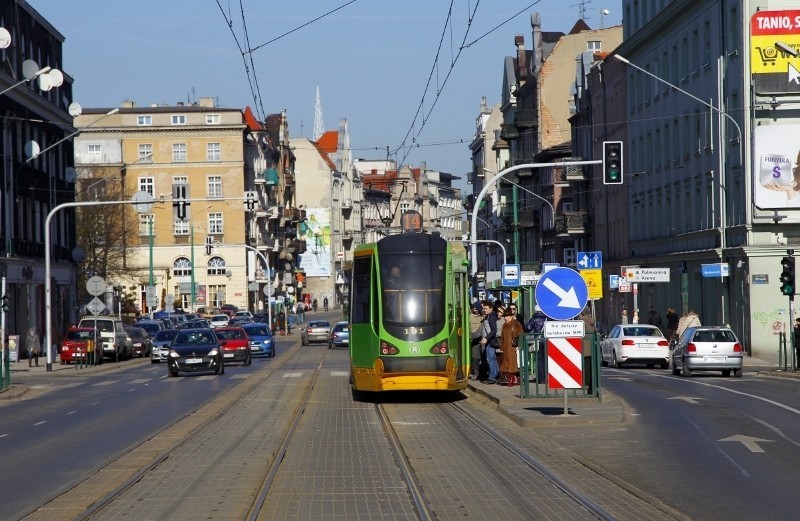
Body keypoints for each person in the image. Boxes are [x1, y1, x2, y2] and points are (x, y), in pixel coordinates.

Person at [499, 308, 524, 387]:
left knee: (512, 365)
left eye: (507, 316)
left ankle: (512, 380)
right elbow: (503, 337)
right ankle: (516, 379)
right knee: (508, 364)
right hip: (506, 347)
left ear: (511, 316)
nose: (505, 318)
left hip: (513, 347)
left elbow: (521, 334)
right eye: (505, 316)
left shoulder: (515, 323)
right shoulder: (504, 325)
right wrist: (502, 347)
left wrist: (519, 345)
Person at [478, 300, 500, 384]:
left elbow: (494, 330)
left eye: (486, 308)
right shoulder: (488, 316)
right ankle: (494, 375)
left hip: (491, 340)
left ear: (491, 308)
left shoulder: (491, 317)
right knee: (491, 358)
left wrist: (486, 338)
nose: (484, 310)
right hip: (488, 340)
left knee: (491, 358)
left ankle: (492, 376)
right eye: (483, 309)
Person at [579, 307, 598, 393]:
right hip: (591, 348)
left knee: (585, 367)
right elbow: (596, 331)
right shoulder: (591, 321)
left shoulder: (581, 321)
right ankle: (591, 384)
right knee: (590, 367)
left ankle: (586, 384)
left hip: (583, 347)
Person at [468, 303, 484, 380]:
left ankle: (483, 373)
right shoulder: (470, 317)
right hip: (474, 339)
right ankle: (476, 373)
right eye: (474, 309)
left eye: (477, 309)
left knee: (484, 357)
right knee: (475, 357)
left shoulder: (483, 316)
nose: (476, 310)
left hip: (484, 338)